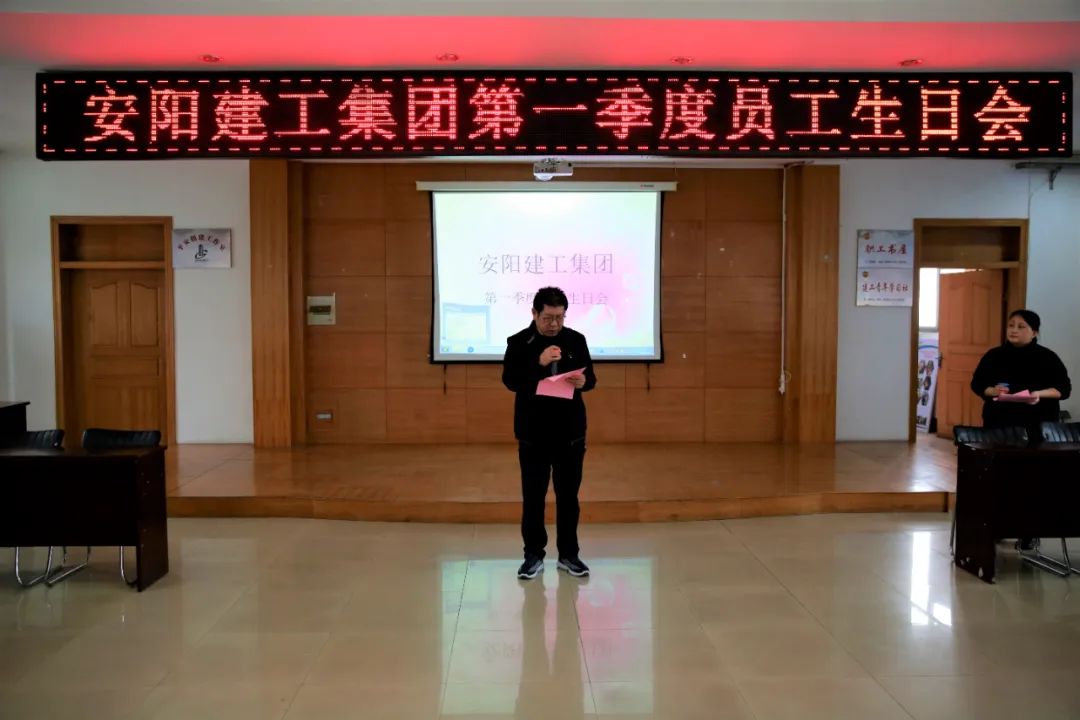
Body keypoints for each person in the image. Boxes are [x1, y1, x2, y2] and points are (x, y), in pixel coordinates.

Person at [502, 287, 597, 580]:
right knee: (534, 497)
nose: (554, 324)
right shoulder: (519, 342)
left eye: (559, 317)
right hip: (534, 434)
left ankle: (569, 555)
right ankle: (533, 556)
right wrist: (538, 363)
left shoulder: (576, 339)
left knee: (568, 497)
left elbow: (591, 378)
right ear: (534, 313)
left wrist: (584, 382)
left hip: (570, 433)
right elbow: (510, 380)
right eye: (548, 318)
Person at [970, 309, 1071, 435]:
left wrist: (1037, 394)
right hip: (999, 421)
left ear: (1034, 333)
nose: (1014, 330)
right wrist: (993, 391)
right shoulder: (993, 355)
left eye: (1021, 327)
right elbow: (977, 384)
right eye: (1011, 325)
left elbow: (1064, 389)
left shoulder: (1048, 357)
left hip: (1039, 422)